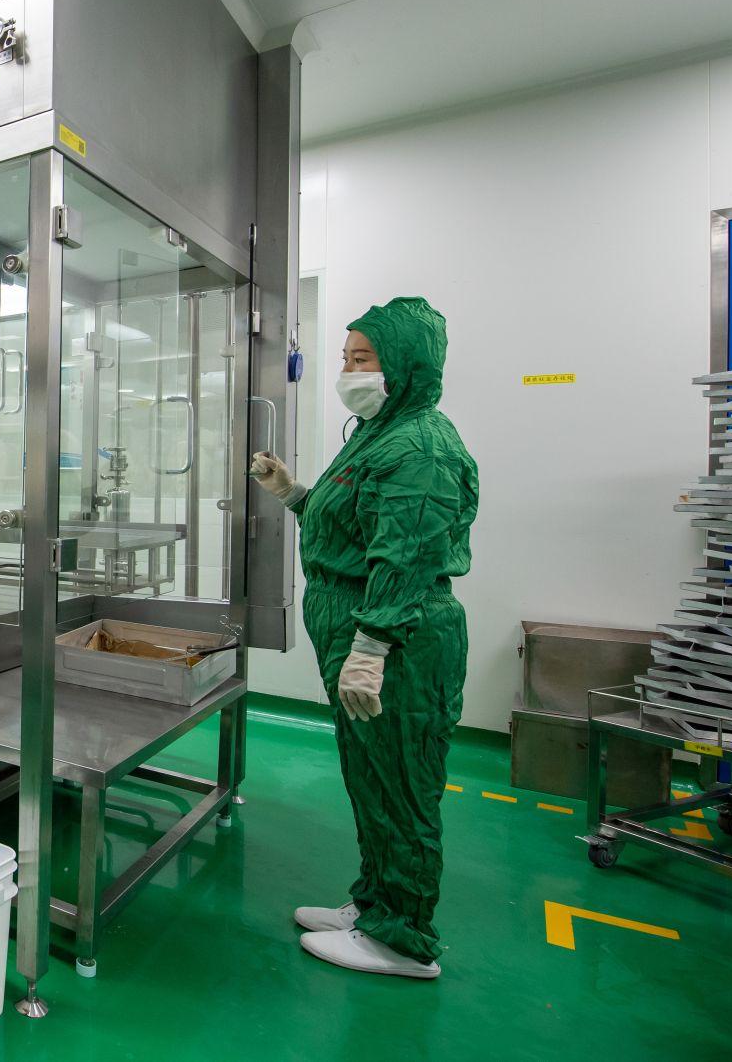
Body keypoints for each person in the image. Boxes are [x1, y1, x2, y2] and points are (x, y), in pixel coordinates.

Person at [249, 297, 479, 980]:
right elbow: (353, 523)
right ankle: (375, 904)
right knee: (370, 778)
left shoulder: (421, 447)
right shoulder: (379, 432)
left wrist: (372, 648)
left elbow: (404, 555)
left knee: (402, 786)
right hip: (361, 627)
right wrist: (292, 493)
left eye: (364, 358)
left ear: (405, 364)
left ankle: (402, 938)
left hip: (401, 641)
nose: (350, 371)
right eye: (346, 358)